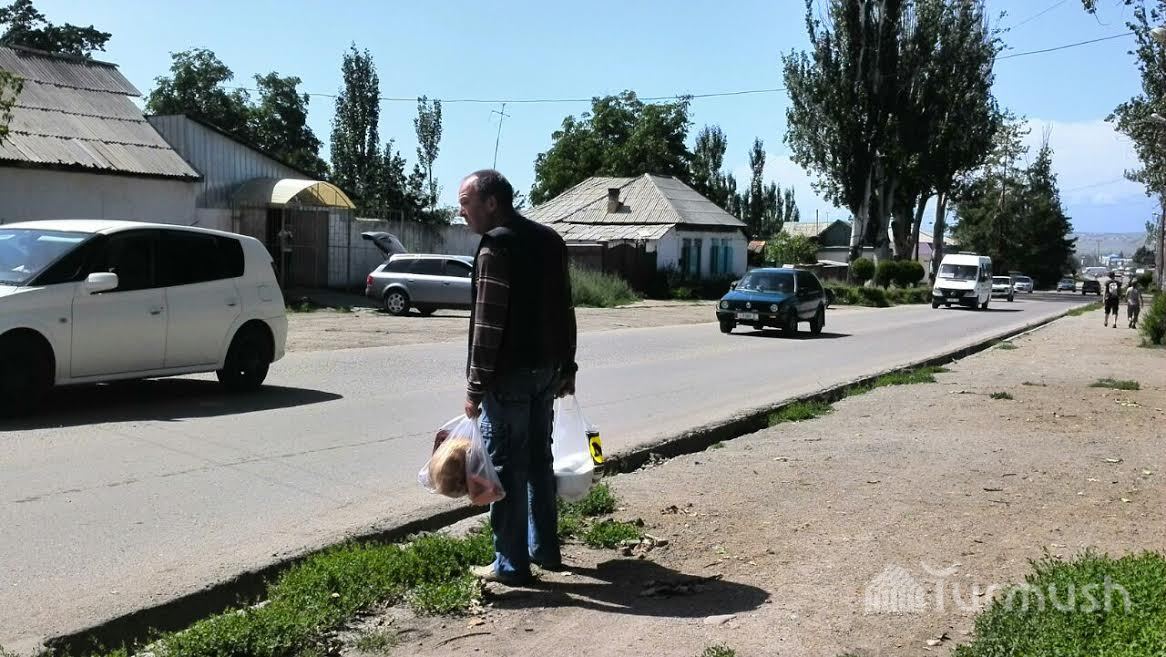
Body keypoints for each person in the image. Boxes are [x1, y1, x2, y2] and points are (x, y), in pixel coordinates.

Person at [458, 169, 578, 585]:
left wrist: (475, 387)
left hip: (508, 378)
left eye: (466, 203)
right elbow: (565, 308)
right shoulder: (550, 240)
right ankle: (545, 549)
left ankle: (510, 565)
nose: (462, 213)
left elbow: (487, 326)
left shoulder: (496, 247)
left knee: (506, 468)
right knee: (540, 461)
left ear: (492, 203)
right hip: (546, 371)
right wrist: (568, 366)